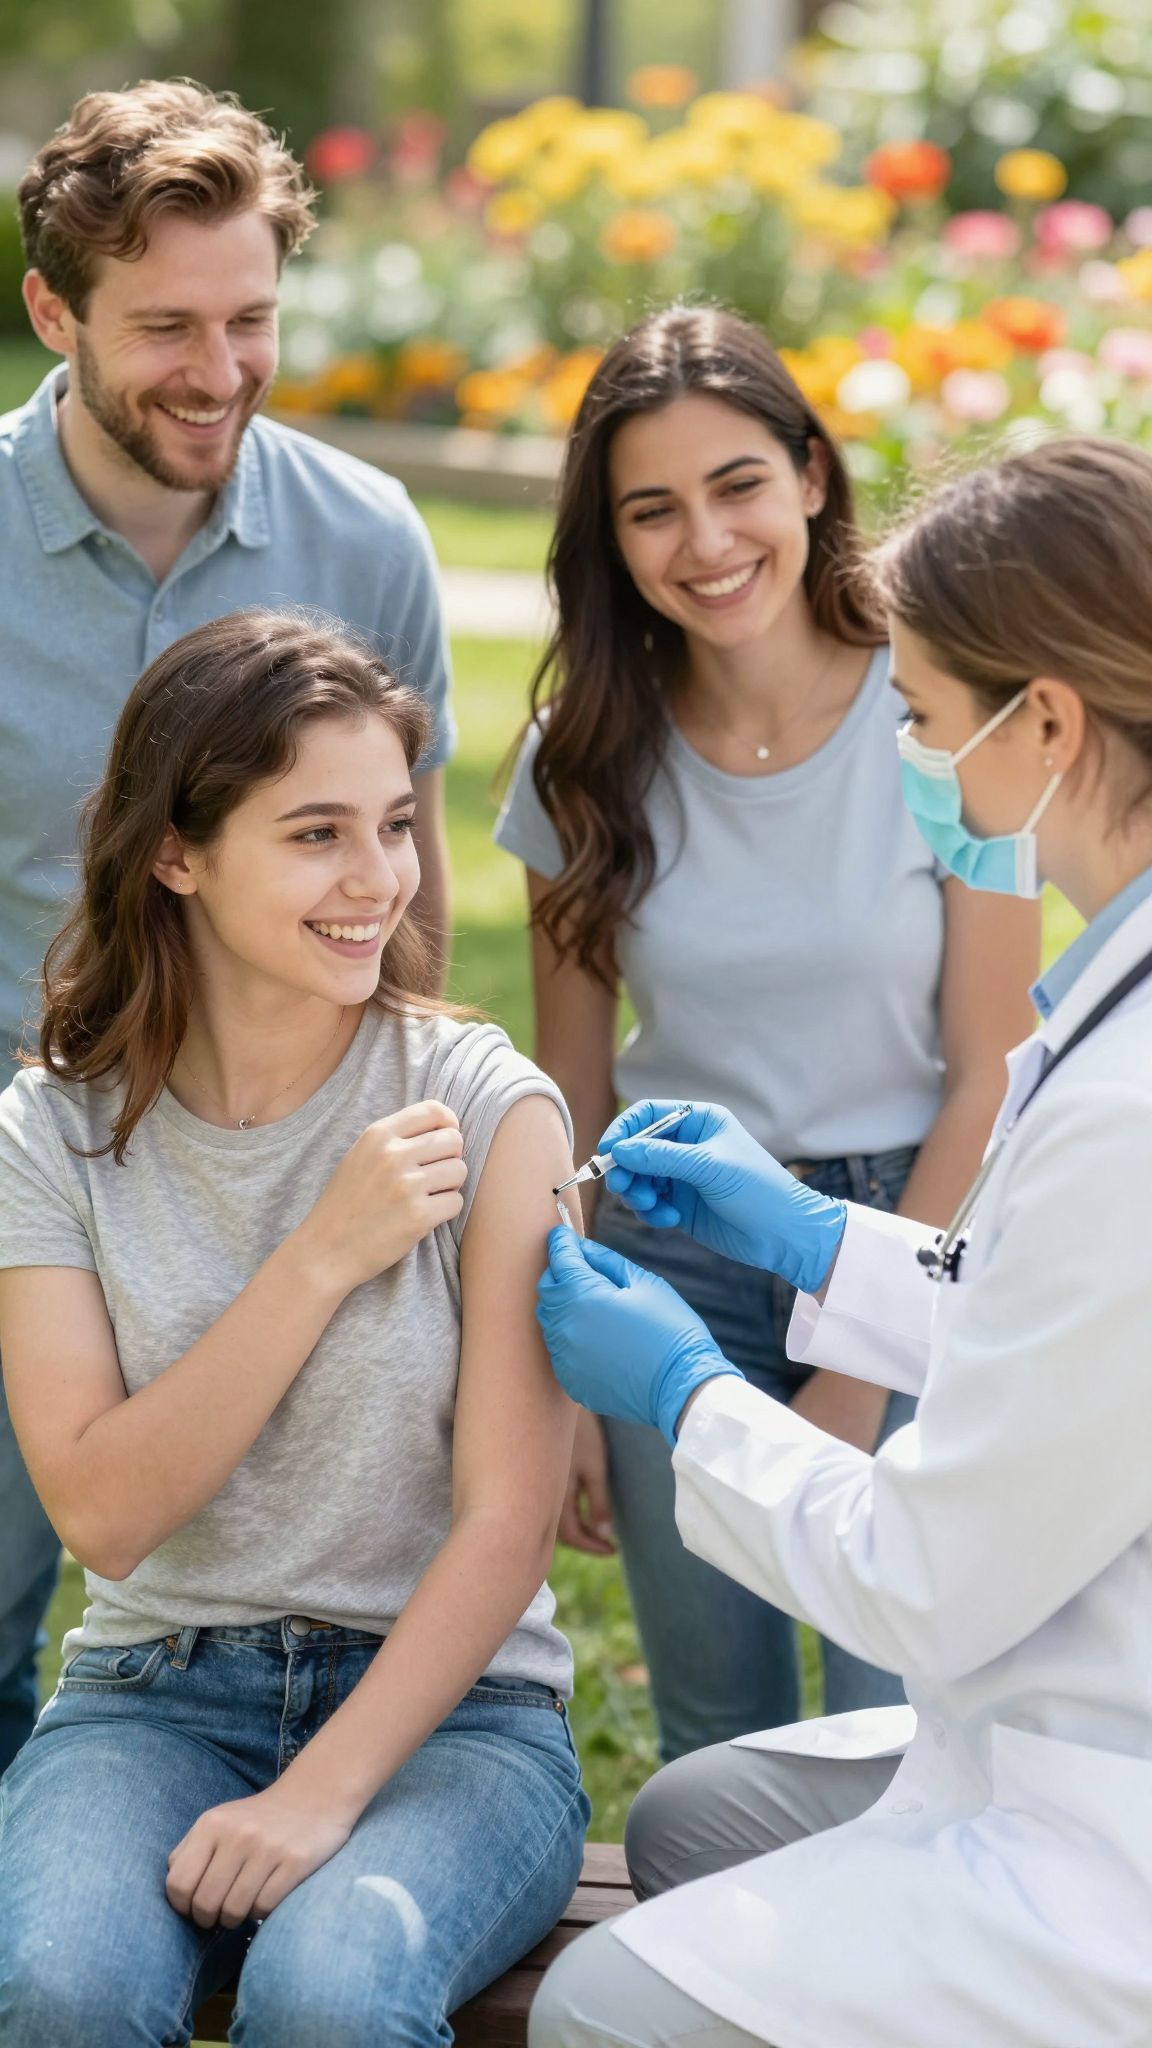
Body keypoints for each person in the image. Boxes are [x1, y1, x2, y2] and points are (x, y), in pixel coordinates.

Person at [529, 436, 1152, 2048]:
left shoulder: (1130, 1105)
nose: (914, 754)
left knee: (594, 2006)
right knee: (692, 1818)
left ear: (1050, 724)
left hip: (1106, 1818)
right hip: (1055, 1704)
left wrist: (684, 1391)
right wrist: (822, 1242)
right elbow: (1069, 1331)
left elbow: (925, 1578)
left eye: (928, 717)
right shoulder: (1116, 996)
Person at [0, 613, 588, 2048]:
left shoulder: (489, 1107)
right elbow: (104, 1515)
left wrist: (319, 1793)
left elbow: (509, 1521)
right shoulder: (50, 1131)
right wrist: (320, 1256)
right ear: (175, 852)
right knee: (63, 1989)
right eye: (317, 834)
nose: (379, 878)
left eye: (392, 824)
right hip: (154, 1696)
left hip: (461, 1718)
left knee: (334, 1994)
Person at [494, 305, 1038, 1760]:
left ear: (809, 474)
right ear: (611, 539)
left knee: (902, 1728)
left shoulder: (941, 715)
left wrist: (860, 1365)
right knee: (719, 1736)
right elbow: (568, 1085)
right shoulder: (581, 759)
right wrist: (568, 1378)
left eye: (737, 485)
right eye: (652, 510)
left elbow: (992, 1073)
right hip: (675, 1252)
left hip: (914, 1230)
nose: (706, 542)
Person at [0, 78, 456, 1774]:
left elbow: (404, 880)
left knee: (284, 1595)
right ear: (54, 313)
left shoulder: (364, 537)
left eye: (249, 319)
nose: (217, 370)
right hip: (27, 1164)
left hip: (290, 1165)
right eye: (165, 328)